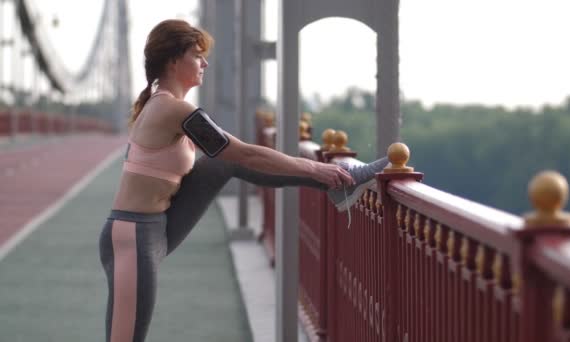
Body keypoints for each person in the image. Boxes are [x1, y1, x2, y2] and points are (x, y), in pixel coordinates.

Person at [99, 19, 389, 342]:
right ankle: (336, 183)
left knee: (221, 165)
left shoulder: (170, 107)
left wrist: (315, 173)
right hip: (134, 235)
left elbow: (232, 160)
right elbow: (247, 154)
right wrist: (314, 169)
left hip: (156, 227)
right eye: (197, 55)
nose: (205, 63)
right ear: (172, 61)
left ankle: (340, 187)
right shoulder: (172, 109)